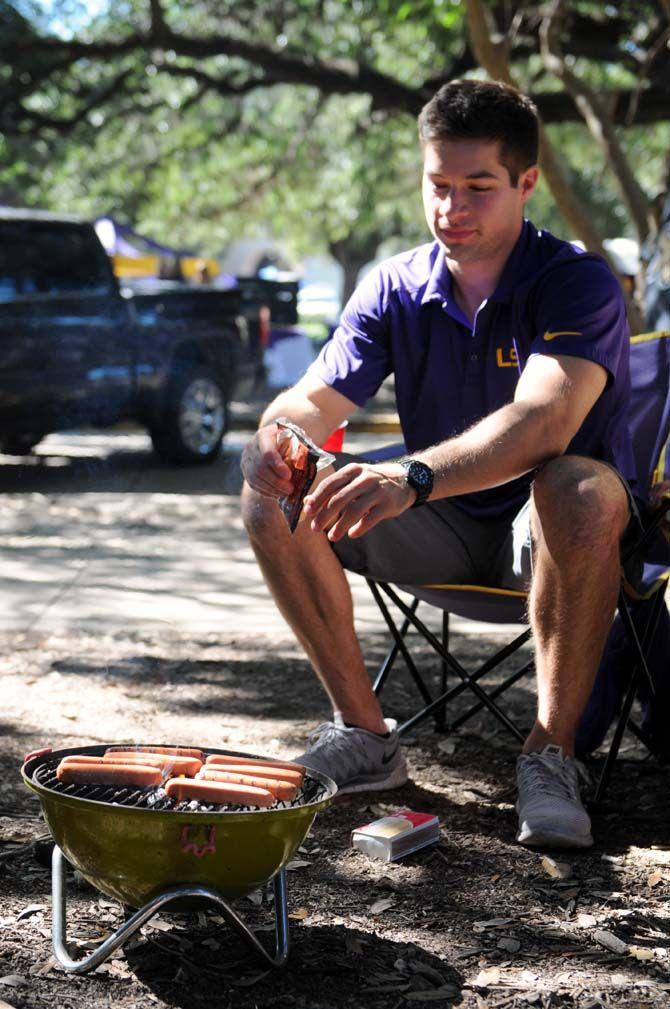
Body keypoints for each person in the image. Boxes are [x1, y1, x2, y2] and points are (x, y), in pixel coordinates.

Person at [241, 79, 637, 850]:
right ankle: (364, 735)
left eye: (478, 187)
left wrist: (410, 476)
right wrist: (275, 437)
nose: (452, 208)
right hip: (441, 526)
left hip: (554, 535)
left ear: (527, 182)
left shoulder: (576, 282)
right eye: (439, 186)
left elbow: (543, 421)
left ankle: (551, 756)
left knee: (578, 486)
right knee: (269, 495)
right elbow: (312, 400)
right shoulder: (393, 285)